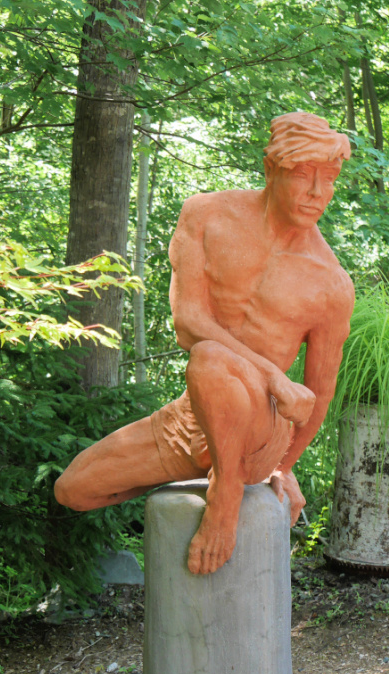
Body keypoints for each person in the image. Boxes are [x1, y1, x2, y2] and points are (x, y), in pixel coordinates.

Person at [55, 112, 355, 575]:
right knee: (74, 489)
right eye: (302, 174)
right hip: (193, 414)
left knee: (213, 357)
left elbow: (320, 393)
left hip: (260, 428)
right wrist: (275, 374)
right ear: (270, 168)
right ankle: (212, 467)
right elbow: (188, 322)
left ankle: (226, 495)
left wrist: (281, 463)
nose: (318, 192)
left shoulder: (330, 283)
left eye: (329, 178)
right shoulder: (207, 215)